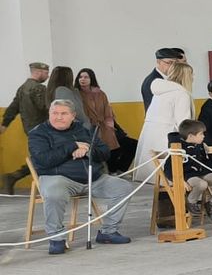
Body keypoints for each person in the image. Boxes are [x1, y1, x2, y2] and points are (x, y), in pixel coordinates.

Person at [27, 100, 137, 253]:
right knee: (54, 194)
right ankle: (56, 238)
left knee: (123, 187)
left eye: (64, 113)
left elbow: (105, 152)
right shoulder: (38, 133)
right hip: (58, 178)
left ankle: (108, 232)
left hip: (93, 178)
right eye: (55, 113)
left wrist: (87, 149)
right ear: (49, 114)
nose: (58, 117)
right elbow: (44, 160)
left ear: (73, 115)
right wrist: (72, 146)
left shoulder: (84, 129)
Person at [133, 61, 194, 180]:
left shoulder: (160, 90)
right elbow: (184, 123)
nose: (193, 78)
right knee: (168, 177)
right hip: (168, 137)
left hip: (151, 136)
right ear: (186, 76)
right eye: (192, 74)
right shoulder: (181, 94)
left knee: (155, 178)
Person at [2, 61, 51, 195]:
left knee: (39, 157)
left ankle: (13, 177)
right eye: (46, 73)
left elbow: (13, 107)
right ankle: (15, 177)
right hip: (44, 129)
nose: (47, 76)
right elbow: (46, 108)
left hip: (30, 130)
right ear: (38, 72)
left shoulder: (22, 88)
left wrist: (5, 124)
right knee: (45, 158)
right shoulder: (40, 89)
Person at [173, 118, 212, 222]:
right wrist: (180, 180)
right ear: (190, 136)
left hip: (203, 172)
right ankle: (191, 201)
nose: (203, 136)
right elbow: (169, 168)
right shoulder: (177, 148)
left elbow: (206, 162)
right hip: (188, 175)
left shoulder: (200, 145)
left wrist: (204, 150)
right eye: (201, 134)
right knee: (202, 184)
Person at [75, 68, 125, 173]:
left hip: (104, 126)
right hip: (87, 126)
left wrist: (110, 126)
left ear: (91, 79)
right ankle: (100, 173)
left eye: (86, 77)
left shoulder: (100, 93)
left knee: (112, 149)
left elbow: (107, 109)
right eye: (80, 77)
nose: (83, 79)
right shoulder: (76, 93)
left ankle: (112, 171)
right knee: (94, 151)